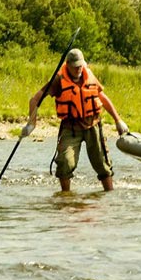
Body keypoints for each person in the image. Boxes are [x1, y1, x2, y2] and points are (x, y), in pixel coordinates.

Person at [21, 48, 128, 191]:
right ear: (68, 65)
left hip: (93, 125)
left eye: (80, 65)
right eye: (75, 66)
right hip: (70, 128)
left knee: (103, 165)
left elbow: (101, 97)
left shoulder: (88, 74)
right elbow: (35, 100)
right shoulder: (58, 80)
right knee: (65, 163)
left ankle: (109, 195)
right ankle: (66, 199)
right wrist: (31, 123)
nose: (78, 68)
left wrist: (117, 120)